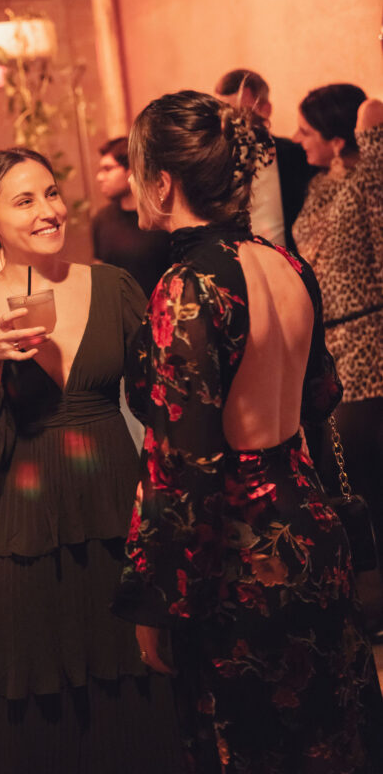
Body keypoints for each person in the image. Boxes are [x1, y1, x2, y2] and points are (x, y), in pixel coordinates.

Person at [113, 90, 383, 772]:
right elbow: (320, 399)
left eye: (138, 169)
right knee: (330, 743)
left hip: (238, 557)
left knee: (251, 750)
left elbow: (186, 463)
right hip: (312, 535)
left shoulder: (186, 286)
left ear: (163, 182)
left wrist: (158, 597)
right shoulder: (285, 263)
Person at [0, 147, 182, 774]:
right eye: (24, 201)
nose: (48, 211)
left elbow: (162, 404)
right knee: (39, 707)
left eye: (50, 193)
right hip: (24, 531)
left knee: (136, 688)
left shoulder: (113, 286)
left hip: (115, 512)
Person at [293, 85, 383, 611]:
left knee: (363, 474)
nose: (298, 138)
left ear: (337, 138)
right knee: (341, 476)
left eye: (307, 131)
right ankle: (366, 597)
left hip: (369, 346)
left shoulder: (371, 177)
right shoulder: (321, 185)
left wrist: (369, 126)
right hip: (328, 349)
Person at [213, 69, 314, 251]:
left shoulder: (297, 155)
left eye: (242, 112)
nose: (234, 122)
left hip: (290, 260)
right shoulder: (213, 163)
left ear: (266, 110)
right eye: (225, 114)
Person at [92, 136, 170, 297]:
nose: (99, 177)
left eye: (108, 169)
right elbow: (99, 271)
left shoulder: (160, 217)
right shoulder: (101, 218)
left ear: (131, 170)